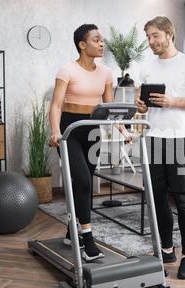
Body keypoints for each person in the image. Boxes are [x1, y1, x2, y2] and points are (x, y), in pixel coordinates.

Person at [135, 16, 185, 279]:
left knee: (182, 199)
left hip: (179, 140)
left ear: (170, 34)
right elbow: (141, 103)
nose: (151, 41)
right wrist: (141, 105)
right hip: (152, 138)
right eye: (148, 37)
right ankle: (166, 249)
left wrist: (173, 101)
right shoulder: (146, 66)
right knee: (156, 199)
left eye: (155, 35)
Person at [49, 24, 132, 262]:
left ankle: (70, 230)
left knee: (84, 184)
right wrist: (56, 131)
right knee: (83, 180)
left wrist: (123, 130)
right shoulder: (67, 70)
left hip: (93, 131)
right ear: (82, 45)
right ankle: (87, 240)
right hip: (71, 131)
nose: (102, 44)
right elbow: (55, 105)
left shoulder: (105, 73)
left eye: (102, 40)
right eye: (96, 40)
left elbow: (109, 108)